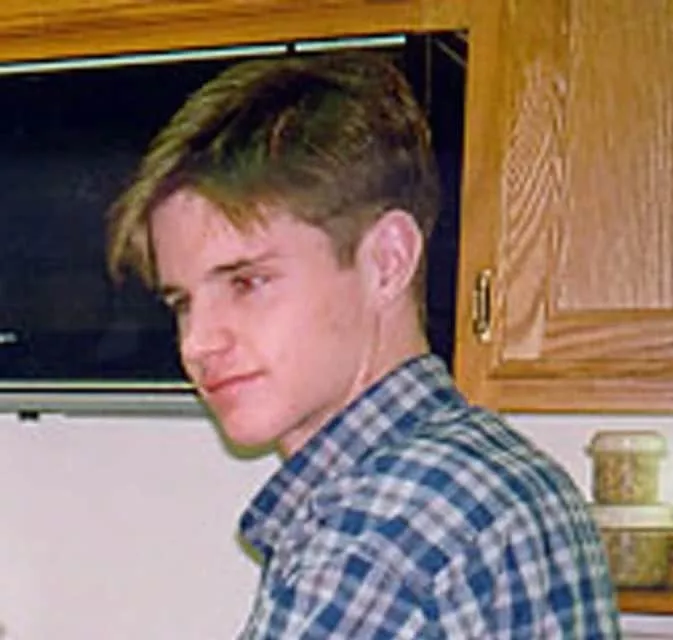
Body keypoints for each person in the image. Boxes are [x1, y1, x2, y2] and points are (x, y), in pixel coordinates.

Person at [107, 51, 621, 639]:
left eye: (246, 283)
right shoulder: (502, 472)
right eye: (182, 303)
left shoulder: (380, 528)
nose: (197, 343)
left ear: (387, 261)